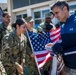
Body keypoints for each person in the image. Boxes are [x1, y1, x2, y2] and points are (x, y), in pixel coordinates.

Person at [51, 1, 76, 75]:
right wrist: (59, 45)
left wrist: (65, 52)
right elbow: (68, 42)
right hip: (66, 67)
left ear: (65, 9)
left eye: (57, 13)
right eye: (54, 14)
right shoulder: (62, 26)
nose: (55, 16)